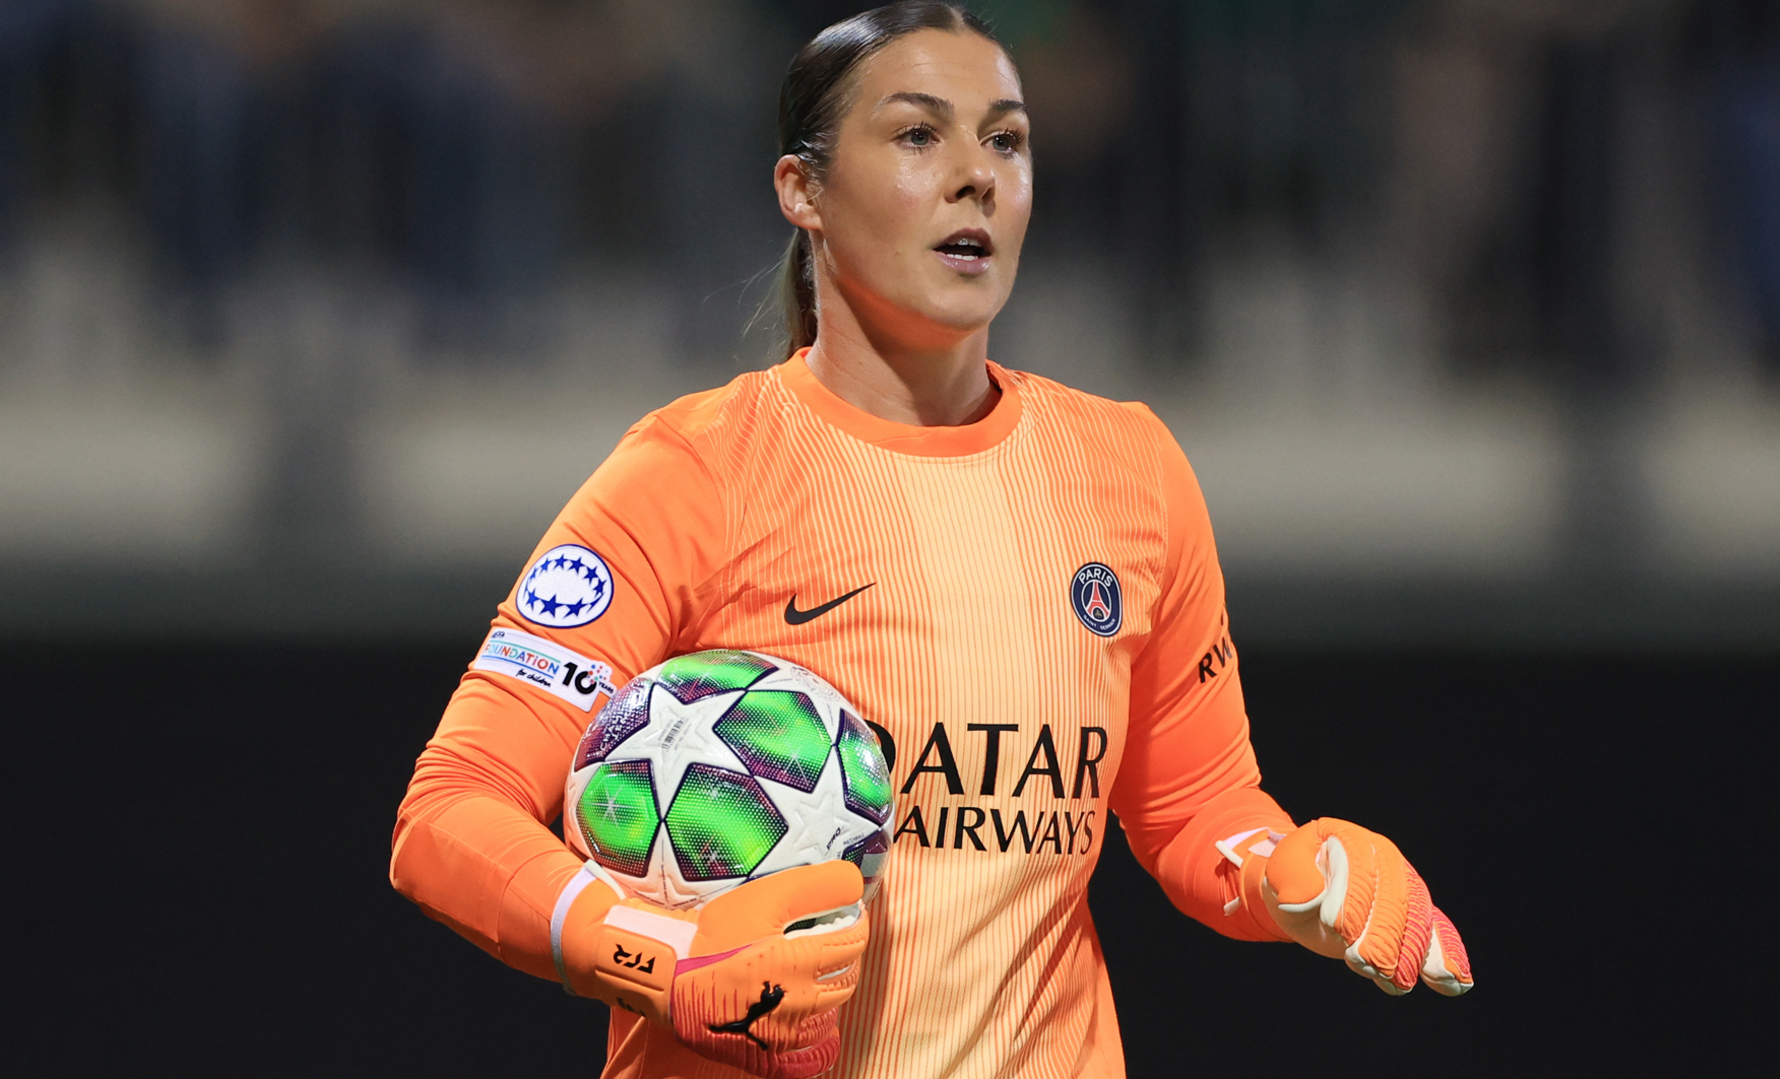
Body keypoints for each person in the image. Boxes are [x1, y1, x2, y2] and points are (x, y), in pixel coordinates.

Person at [390, 5, 1473, 1077]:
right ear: (802, 190)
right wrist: (658, 956)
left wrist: (1290, 869)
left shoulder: (1130, 470)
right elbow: (449, 815)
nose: (977, 176)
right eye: (918, 134)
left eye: (1007, 139)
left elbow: (1194, 809)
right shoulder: (694, 473)